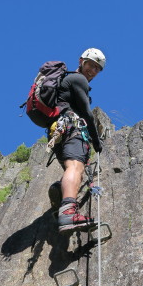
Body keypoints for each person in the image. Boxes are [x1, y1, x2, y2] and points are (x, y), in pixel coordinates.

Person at [48, 48, 105, 233]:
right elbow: (87, 113)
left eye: (97, 69)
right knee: (75, 166)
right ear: (81, 61)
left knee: (72, 168)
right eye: (91, 65)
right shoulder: (77, 79)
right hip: (73, 128)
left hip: (59, 131)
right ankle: (68, 213)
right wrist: (96, 141)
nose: (93, 71)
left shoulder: (66, 80)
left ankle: (61, 193)